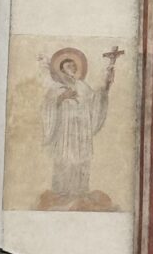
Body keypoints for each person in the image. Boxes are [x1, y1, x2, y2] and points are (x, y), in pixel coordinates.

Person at [43, 55, 112, 198]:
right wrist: (62, 97)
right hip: (65, 131)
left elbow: (95, 100)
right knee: (65, 157)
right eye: (69, 66)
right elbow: (47, 107)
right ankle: (62, 191)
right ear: (62, 70)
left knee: (81, 158)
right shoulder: (56, 87)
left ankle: (80, 191)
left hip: (81, 130)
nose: (73, 68)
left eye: (74, 65)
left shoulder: (82, 86)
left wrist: (106, 84)